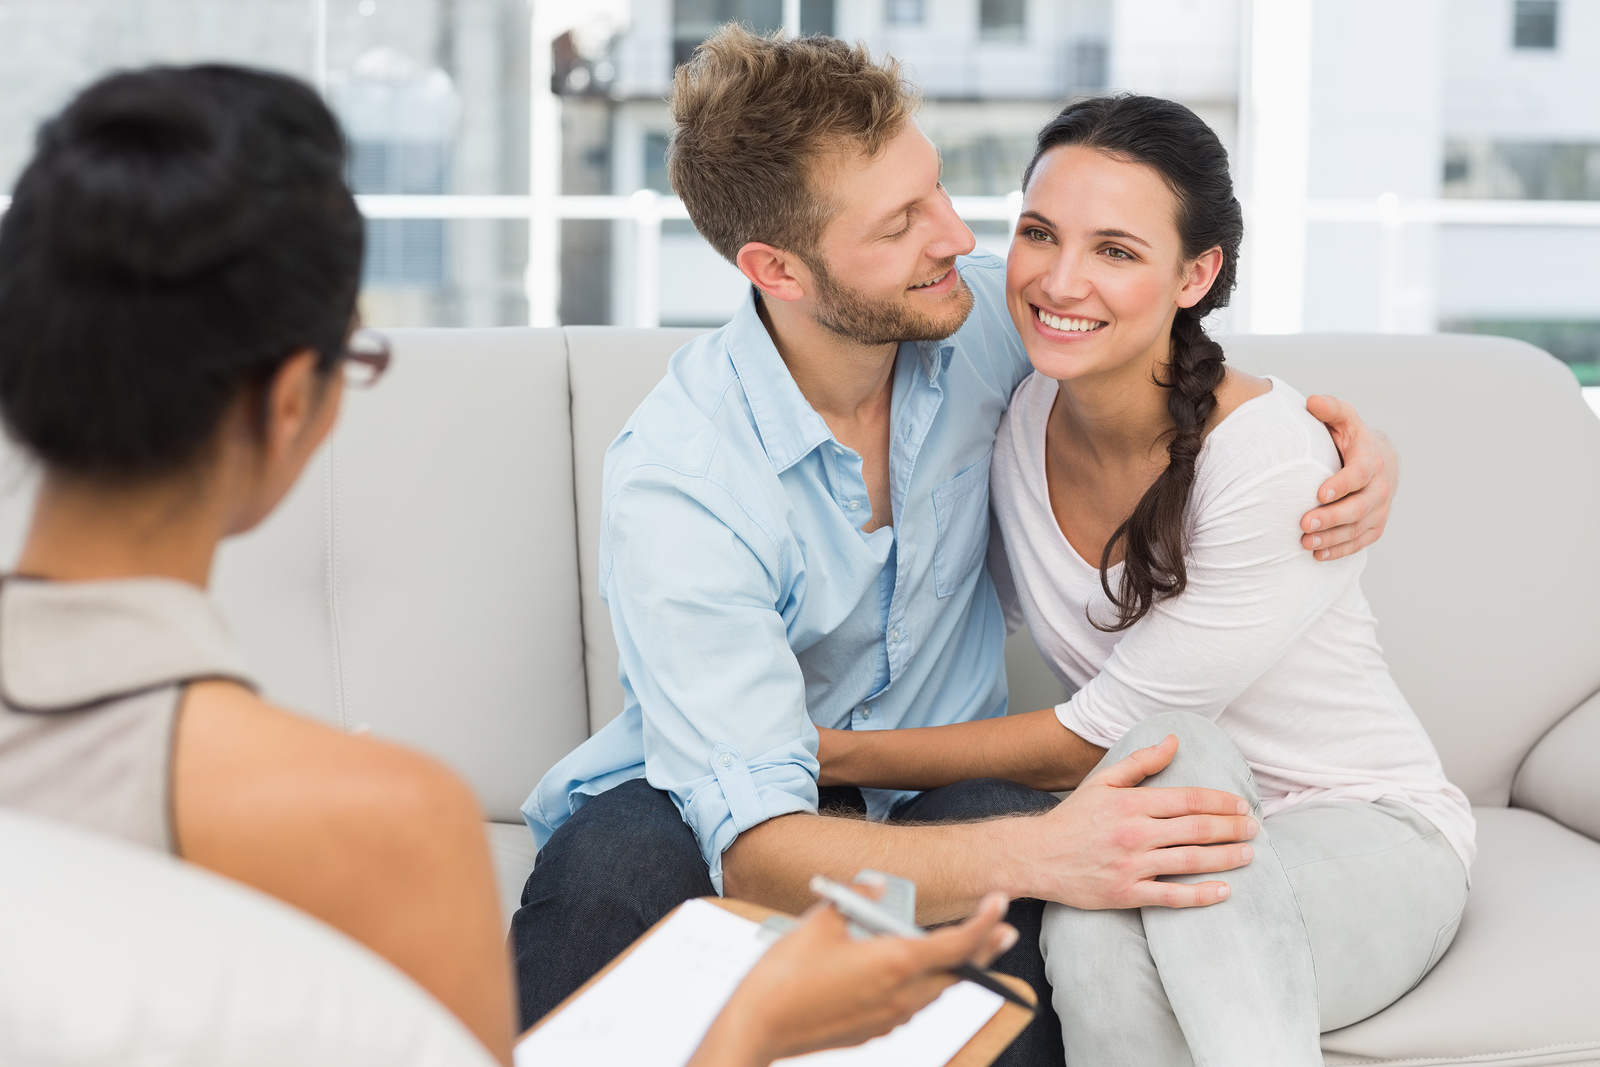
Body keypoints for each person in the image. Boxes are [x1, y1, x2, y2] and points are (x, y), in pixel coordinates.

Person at [0, 63, 1020, 1067]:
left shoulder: (986, 328)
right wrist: (751, 1033)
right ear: (287, 406)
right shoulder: (372, 818)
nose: (951, 235)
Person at [514, 27, 1401, 1064]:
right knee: (609, 857)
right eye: (900, 222)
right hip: (734, 807)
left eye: (935, 188)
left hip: (950, 799)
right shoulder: (682, 479)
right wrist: (1046, 846)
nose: (952, 235)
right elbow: (757, 850)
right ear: (775, 268)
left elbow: (1157, 353)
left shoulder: (979, 319)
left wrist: (1347, 445)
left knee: (1003, 885)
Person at [814, 95, 1474, 1064]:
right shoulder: (1011, 404)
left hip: (1364, 827)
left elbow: (1090, 739)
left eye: (1116, 250)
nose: (1060, 279)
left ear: (1193, 274)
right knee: (1087, 930)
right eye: (1038, 233)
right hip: (1155, 818)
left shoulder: (1271, 462)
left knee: (1174, 751)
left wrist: (820, 753)